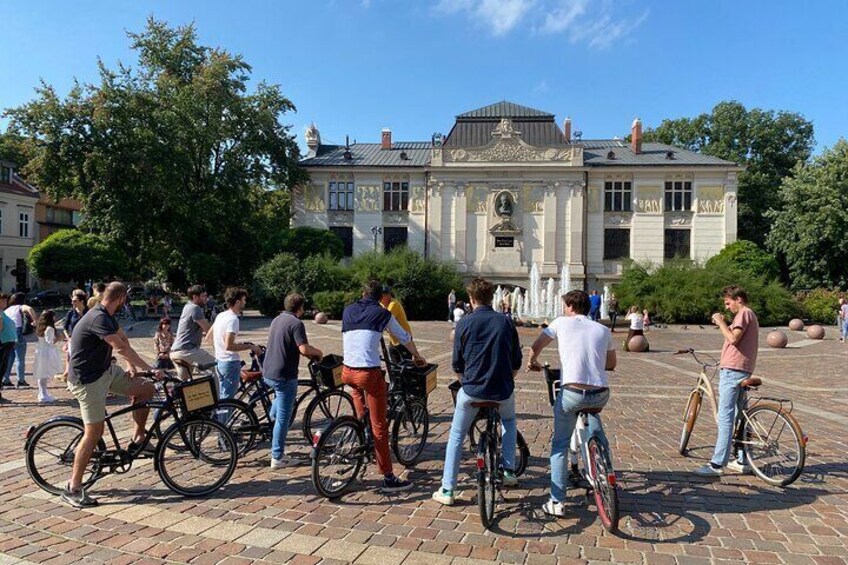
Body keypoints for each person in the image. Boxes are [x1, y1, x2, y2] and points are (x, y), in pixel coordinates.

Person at [64, 282, 160, 507]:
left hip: (106, 371)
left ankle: (138, 439)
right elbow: (120, 347)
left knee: (146, 388)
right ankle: (73, 487)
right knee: (94, 432)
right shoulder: (98, 317)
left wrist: (132, 366)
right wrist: (151, 368)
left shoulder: (106, 315)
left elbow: (123, 339)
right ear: (122, 299)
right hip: (87, 380)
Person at [433, 277, 522, 506]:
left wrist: (467, 383)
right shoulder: (506, 322)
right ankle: (509, 471)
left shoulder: (464, 323)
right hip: (502, 390)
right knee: (509, 422)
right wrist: (504, 380)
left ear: (471, 299)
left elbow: (456, 365)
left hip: (471, 390)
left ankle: (447, 489)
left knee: (456, 435)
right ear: (492, 297)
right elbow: (516, 362)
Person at [527, 289, 616, 517]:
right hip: (600, 392)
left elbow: (535, 346)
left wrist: (532, 361)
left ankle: (556, 501)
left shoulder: (560, 323)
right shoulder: (603, 329)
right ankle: (605, 470)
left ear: (570, 306)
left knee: (560, 445)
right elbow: (611, 363)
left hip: (572, 393)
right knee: (596, 428)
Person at [341, 280, 427, 493]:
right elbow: (404, 337)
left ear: (363, 293)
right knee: (380, 426)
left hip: (347, 371)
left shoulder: (348, 310)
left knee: (362, 406)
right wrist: (417, 356)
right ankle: (388, 477)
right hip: (367, 374)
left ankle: (361, 431)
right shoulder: (383, 313)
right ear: (381, 297)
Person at [695, 285, 759, 477]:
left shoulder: (743, 314)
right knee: (740, 416)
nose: (727, 307)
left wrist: (720, 322)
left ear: (738, 299)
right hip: (742, 368)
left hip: (733, 370)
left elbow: (733, 338)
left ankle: (717, 464)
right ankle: (742, 458)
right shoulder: (749, 315)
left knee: (725, 417)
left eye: (728, 302)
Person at [263, 293, 323, 469]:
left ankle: (272, 419)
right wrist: (318, 353)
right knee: (284, 417)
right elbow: (304, 349)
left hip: (269, 371)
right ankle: (277, 457)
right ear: (300, 308)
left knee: (279, 406)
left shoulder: (277, 319)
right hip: (284, 375)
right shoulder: (296, 323)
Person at [208, 287, 262, 401]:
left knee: (222, 397)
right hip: (230, 363)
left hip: (219, 361)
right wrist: (250, 346)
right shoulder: (233, 319)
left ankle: (219, 418)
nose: (245, 302)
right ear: (237, 302)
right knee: (228, 401)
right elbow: (229, 346)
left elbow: (209, 337)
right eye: (243, 300)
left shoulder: (221, 315)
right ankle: (223, 419)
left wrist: (219, 349)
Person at [170, 285, 214, 380]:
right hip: (187, 350)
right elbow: (208, 330)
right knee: (219, 367)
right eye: (203, 296)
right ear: (195, 297)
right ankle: (220, 394)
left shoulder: (187, 307)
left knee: (185, 385)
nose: (206, 299)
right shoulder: (195, 308)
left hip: (175, 351)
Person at [2, 292, 37, 388]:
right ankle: (21, 380)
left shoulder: (7, 309)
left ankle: (6, 379)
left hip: (9, 333)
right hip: (18, 331)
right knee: (20, 358)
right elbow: (29, 308)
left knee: (10, 358)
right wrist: (35, 321)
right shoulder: (20, 307)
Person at [33, 310, 64, 403]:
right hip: (47, 352)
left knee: (41, 373)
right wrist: (59, 338)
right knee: (44, 374)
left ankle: (42, 392)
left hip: (40, 350)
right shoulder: (50, 328)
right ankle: (43, 394)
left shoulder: (40, 327)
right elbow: (50, 342)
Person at [379, 286, 412, 364]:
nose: (381, 297)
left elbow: (386, 321)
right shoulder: (381, 304)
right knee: (394, 364)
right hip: (394, 339)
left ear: (389, 295)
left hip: (403, 338)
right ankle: (395, 376)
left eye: (384, 295)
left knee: (406, 364)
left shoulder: (393, 304)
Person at [0, 294, 17, 403]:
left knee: (2, 369)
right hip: (2, 344)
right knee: (1, 368)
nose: (5, 302)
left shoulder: (2, 312)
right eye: (3, 300)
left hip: (7, 344)